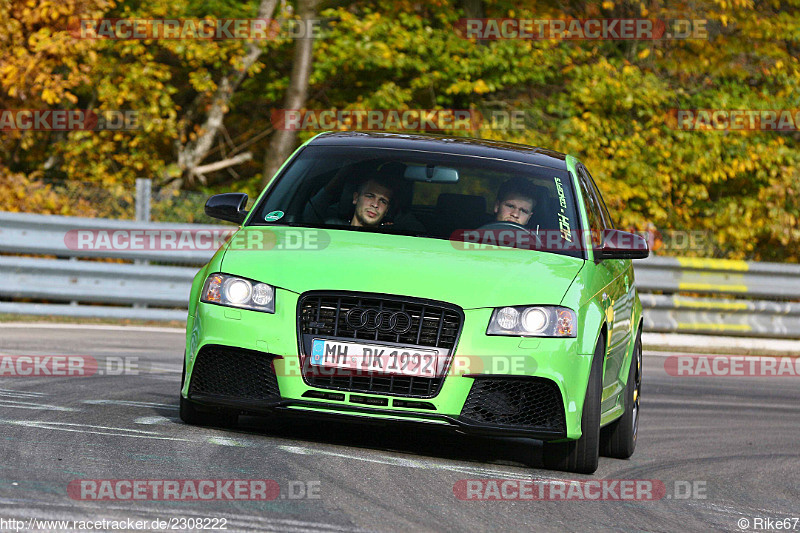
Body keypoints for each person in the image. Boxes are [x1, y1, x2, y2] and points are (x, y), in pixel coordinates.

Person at [304, 166, 398, 227]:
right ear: (356, 198)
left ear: (387, 210)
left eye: (383, 201)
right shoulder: (330, 229)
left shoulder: (393, 240)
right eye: (370, 196)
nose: (375, 204)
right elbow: (308, 214)